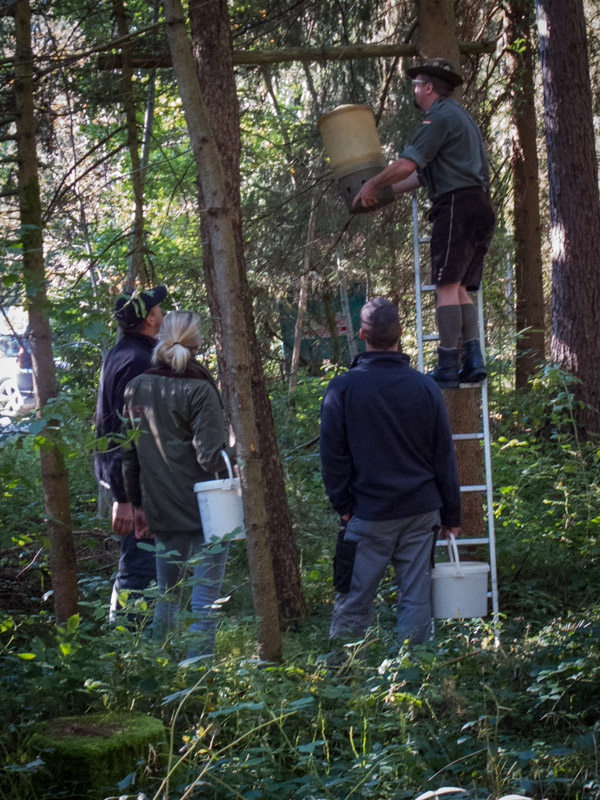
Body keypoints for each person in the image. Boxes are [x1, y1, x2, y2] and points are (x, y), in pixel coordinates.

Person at [320, 297, 461, 646]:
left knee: (353, 601)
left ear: (362, 333)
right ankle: (413, 682)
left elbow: (332, 457)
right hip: (419, 512)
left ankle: (342, 684)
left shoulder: (343, 387)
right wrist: (451, 514)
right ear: (401, 333)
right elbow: (444, 456)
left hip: (368, 515)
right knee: (416, 600)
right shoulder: (425, 386)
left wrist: (344, 507)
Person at [353, 58, 496, 388]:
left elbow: (406, 164)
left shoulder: (440, 117)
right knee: (461, 288)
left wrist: (372, 183)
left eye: (417, 84)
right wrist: (381, 194)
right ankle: (473, 361)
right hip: (479, 205)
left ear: (429, 87)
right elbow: (417, 176)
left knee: (446, 287)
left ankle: (447, 364)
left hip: (456, 206)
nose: (414, 89)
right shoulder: (461, 117)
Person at [121, 310, 232, 657]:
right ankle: (197, 673)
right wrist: (237, 456)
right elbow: (210, 456)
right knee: (204, 599)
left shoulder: (137, 387)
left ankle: (160, 665)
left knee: (166, 596)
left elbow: (130, 455)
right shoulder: (199, 388)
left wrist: (138, 505)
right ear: (197, 344)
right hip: (208, 509)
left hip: (160, 507)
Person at [95, 285, 166, 622]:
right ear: (150, 319)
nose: (162, 314)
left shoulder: (121, 353)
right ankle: (128, 647)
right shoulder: (138, 361)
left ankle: (138, 637)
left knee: (141, 559)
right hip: (136, 484)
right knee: (140, 563)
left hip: (127, 479)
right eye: (158, 309)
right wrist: (127, 499)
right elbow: (127, 434)